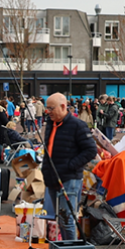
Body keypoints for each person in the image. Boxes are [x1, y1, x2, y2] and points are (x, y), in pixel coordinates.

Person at [42, 93, 98, 241]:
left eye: (51, 108)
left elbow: (91, 150)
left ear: (63, 106)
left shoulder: (77, 125)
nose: (48, 111)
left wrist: (70, 166)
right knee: (60, 219)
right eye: (47, 108)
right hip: (52, 178)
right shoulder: (50, 123)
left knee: (67, 220)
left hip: (69, 179)